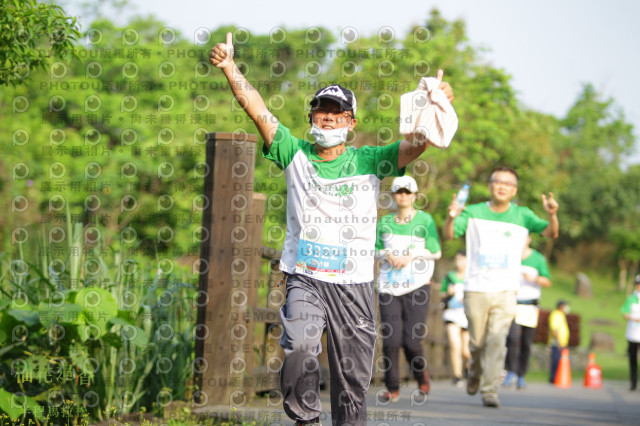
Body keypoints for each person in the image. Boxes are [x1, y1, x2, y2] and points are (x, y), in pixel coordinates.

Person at [210, 33, 454, 426]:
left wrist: (434, 107)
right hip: (305, 277)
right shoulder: (294, 153)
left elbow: (415, 146)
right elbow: (254, 107)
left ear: (350, 122)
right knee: (300, 348)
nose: (327, 117)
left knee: (352, 381)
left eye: (337, 112)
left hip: (354, 285)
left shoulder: (372, 159)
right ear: (311, 118)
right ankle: (307, 418)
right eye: (321, 110)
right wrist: (230, 68)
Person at [442, 166, 559, 408]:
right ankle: (474, 372)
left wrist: (551, 215)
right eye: (498, 181)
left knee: (497, 339)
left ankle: (490, 390)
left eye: (508, 183)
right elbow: (449, 235)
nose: (503, 186)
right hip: (475, 288)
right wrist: (451, 216)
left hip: (506, 290)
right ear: (490, 185)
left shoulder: (523, 215)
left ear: (514, 190)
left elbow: (551, 232)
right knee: (477, 342)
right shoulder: (473, 212)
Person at [375, 175, 442, 402]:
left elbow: (435, 250)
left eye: (407, 192)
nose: (403, 196)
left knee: (411, 341)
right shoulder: (384, 222)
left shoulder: (426, 220)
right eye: (399, 192)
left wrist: (411, 255)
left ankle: (422, 378)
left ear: (414, 195)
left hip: (417, 286)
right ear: (394, 195)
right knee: (391, 340)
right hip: (389, 287)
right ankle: (392, 388)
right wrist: (387, 254)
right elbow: (374, 250)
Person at [502, 235, 552, 390]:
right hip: (513, 303)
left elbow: (547, 281)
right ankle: (510, 371)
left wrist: (535, 279)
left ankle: (521, 375)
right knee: (512, 338)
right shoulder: (510, 256)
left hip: (530, 306)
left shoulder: (538, 258)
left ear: (529, 238)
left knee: (526, 342)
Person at [440, 250, 470, 387]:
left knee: (466, 349)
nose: (460, 263)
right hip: (452, 313)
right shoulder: (450, 276)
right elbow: (441, 294)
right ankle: (457, 375)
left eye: (462, 260)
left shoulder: (471, 277)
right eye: (457, 260)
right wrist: (448, 293)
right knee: (454, 345)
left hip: (467, 315)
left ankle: (468, 368)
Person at [621, 275, 640, 391]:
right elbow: (625, 312)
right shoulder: (631, 298)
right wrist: (633, 318)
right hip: (632, 333)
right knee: (632, 359)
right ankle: (633, 383)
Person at [548, 300, 570, 383]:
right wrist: (558, 341)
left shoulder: (561, 315)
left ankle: (557, 378)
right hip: (557, 342)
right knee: (556, 360)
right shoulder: (556, 314)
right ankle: (553, 378)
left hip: (561, 342)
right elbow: (554, 329)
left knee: (559, 361)